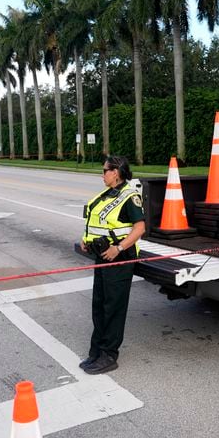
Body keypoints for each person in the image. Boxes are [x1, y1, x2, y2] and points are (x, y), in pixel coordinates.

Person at [79, 156, 145, 375]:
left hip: (120, 258)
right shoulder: (106, 195)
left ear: (116, 172)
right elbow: (98, 222)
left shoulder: (129, 196)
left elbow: (139, 228)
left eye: (105, 170)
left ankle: (109, 355)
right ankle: (96, 351)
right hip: (102, 257)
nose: (102, 174)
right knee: (99, 305)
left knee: (113, 309)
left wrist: (119, 247)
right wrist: (85, 239)